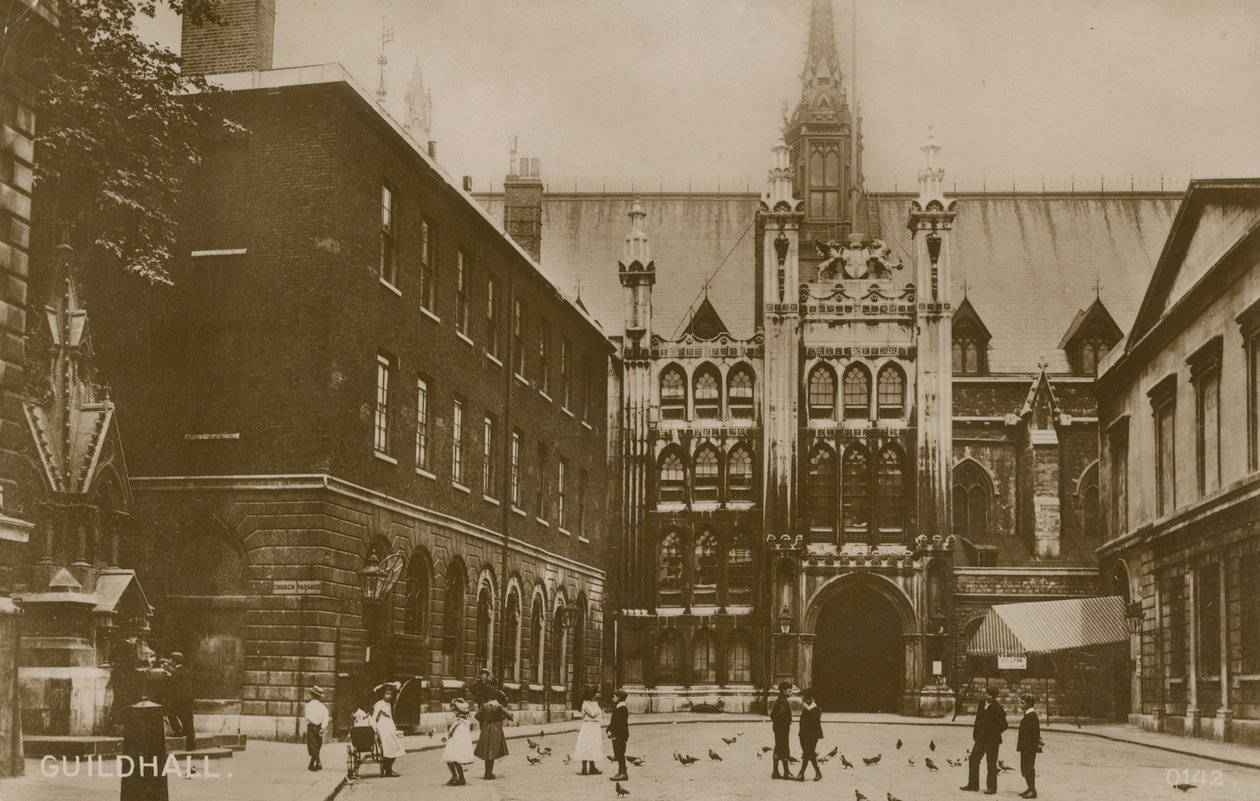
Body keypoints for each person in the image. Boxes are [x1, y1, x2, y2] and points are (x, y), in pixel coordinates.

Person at [961, 685, 1008, 794]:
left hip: (992, 741)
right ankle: (973, 784)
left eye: (991, 695)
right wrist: (976, 734)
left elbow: (1004, 725)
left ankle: (992, 788)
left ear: (995, 696)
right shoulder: (981, 703)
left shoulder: (998, 708)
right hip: (981, 739)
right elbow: (978, 719)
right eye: (987, 693)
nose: (988, 696)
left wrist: (993, 732)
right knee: (973, 759)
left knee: (991, 763)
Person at [473, 689, 513, 779]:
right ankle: (489, 773)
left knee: (487, 750)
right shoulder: (499, 706)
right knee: (493, 751)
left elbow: (477, 716)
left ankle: (487, 772)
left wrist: (484, 721)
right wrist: (502, 718)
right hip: (495, 728)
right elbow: (509, 716)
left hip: (486, 728)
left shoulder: (484, 705)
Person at [372, 682, 406, 777]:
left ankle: (389, 768)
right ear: (383, 694)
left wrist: (394, 728)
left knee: (395, 746)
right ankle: (388, 770)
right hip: (382, 727)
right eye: (387, 694)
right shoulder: (379, 704)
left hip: (389, 726)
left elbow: (390, 717)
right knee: (388, 747)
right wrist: (374, 730)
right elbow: (374, 718)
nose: (389, 696)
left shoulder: (389, 704)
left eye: (390, 694)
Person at [164, 651, 196, 751]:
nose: (169, 661)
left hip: (181, 699)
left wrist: (168, 669)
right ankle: (186, 737)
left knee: (174, 713)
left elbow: (176, 675)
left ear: (174, 661)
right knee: (186, 719)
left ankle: (180, 733)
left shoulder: (178, 671)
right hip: (185, 699)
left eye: (170, 659)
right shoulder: (183, 671)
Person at [443, 697, 475, 785]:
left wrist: (447, 736)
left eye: (454, 711)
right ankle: (456, 776)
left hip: (456, 743)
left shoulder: (458, 722)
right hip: (459, 742)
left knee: (453, 759)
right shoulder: (465, 723)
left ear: (457, 712)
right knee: (453, 759)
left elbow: (451, 732)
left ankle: (460, 778)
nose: (453, 712)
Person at [573, 686, 605, 775]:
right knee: (586, 746)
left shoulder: (592, 703)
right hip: (589, 726)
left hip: (594, 727)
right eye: (595, 694)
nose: (596, 696)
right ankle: (584, 768)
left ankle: (592, 767)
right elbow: (594, 713)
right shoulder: (586, 704)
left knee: (593, 746)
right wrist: (596, 704)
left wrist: (596, 705)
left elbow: (600, 713)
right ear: (591, 695)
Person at [1016, 694, 1042, 799]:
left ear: (1029, 704)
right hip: (1026, 747)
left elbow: (1035, 733)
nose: (1020, 704)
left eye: (1023, 703)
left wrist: (1031, 747)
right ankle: (1029, 788)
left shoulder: (1031, 716)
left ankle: (1032, 790)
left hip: (1029, 748)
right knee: (1025, 767)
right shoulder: (1028, 715)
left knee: (1029, 767)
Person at [796, 688, 823, 781]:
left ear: (813, 699)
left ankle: (801, 773)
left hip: (812, 735)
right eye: (806, 699)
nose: (807, 701)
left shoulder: (817, 709)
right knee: (809, 753)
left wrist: (808, 709)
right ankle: (818, 772)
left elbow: (815, 721)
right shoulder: (805, 709)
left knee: (807, 753)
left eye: (809, 699)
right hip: (803, 735)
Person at [770, 681, 793, 780]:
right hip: (782, 729)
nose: (790, 692)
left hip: (778, 729)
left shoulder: (780, 700)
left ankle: (775, 772)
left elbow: (772, 715)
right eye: (789, 690)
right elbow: (781, 715)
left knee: (778, 748)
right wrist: (786, 722)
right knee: (784, 748)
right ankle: (786, 772)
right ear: (783, 691)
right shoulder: (783, 701)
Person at [607, 688, 630, 782]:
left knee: (620, 753)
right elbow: (613, 722)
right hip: (617, 734)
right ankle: (620, 771)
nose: (613, 698)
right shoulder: (618, 707)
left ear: (619, 698)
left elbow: (618, 723)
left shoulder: (622, 709)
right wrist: (609, 730)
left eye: (614, 696)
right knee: (618, 753)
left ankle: (623, 773)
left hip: (620, 734)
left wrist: (611, 731)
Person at [304, 686, 329, 771]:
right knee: (318, 745)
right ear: (319, 696)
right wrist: (323, 727)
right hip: (319, 727)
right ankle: (311, 764)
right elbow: (326, 717)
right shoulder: (322, 707)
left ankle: (318, 762)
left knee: (312, 745)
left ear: (312, 695)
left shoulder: (309, 705)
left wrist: (314, 721)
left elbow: (307, 716)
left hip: (312, 726)